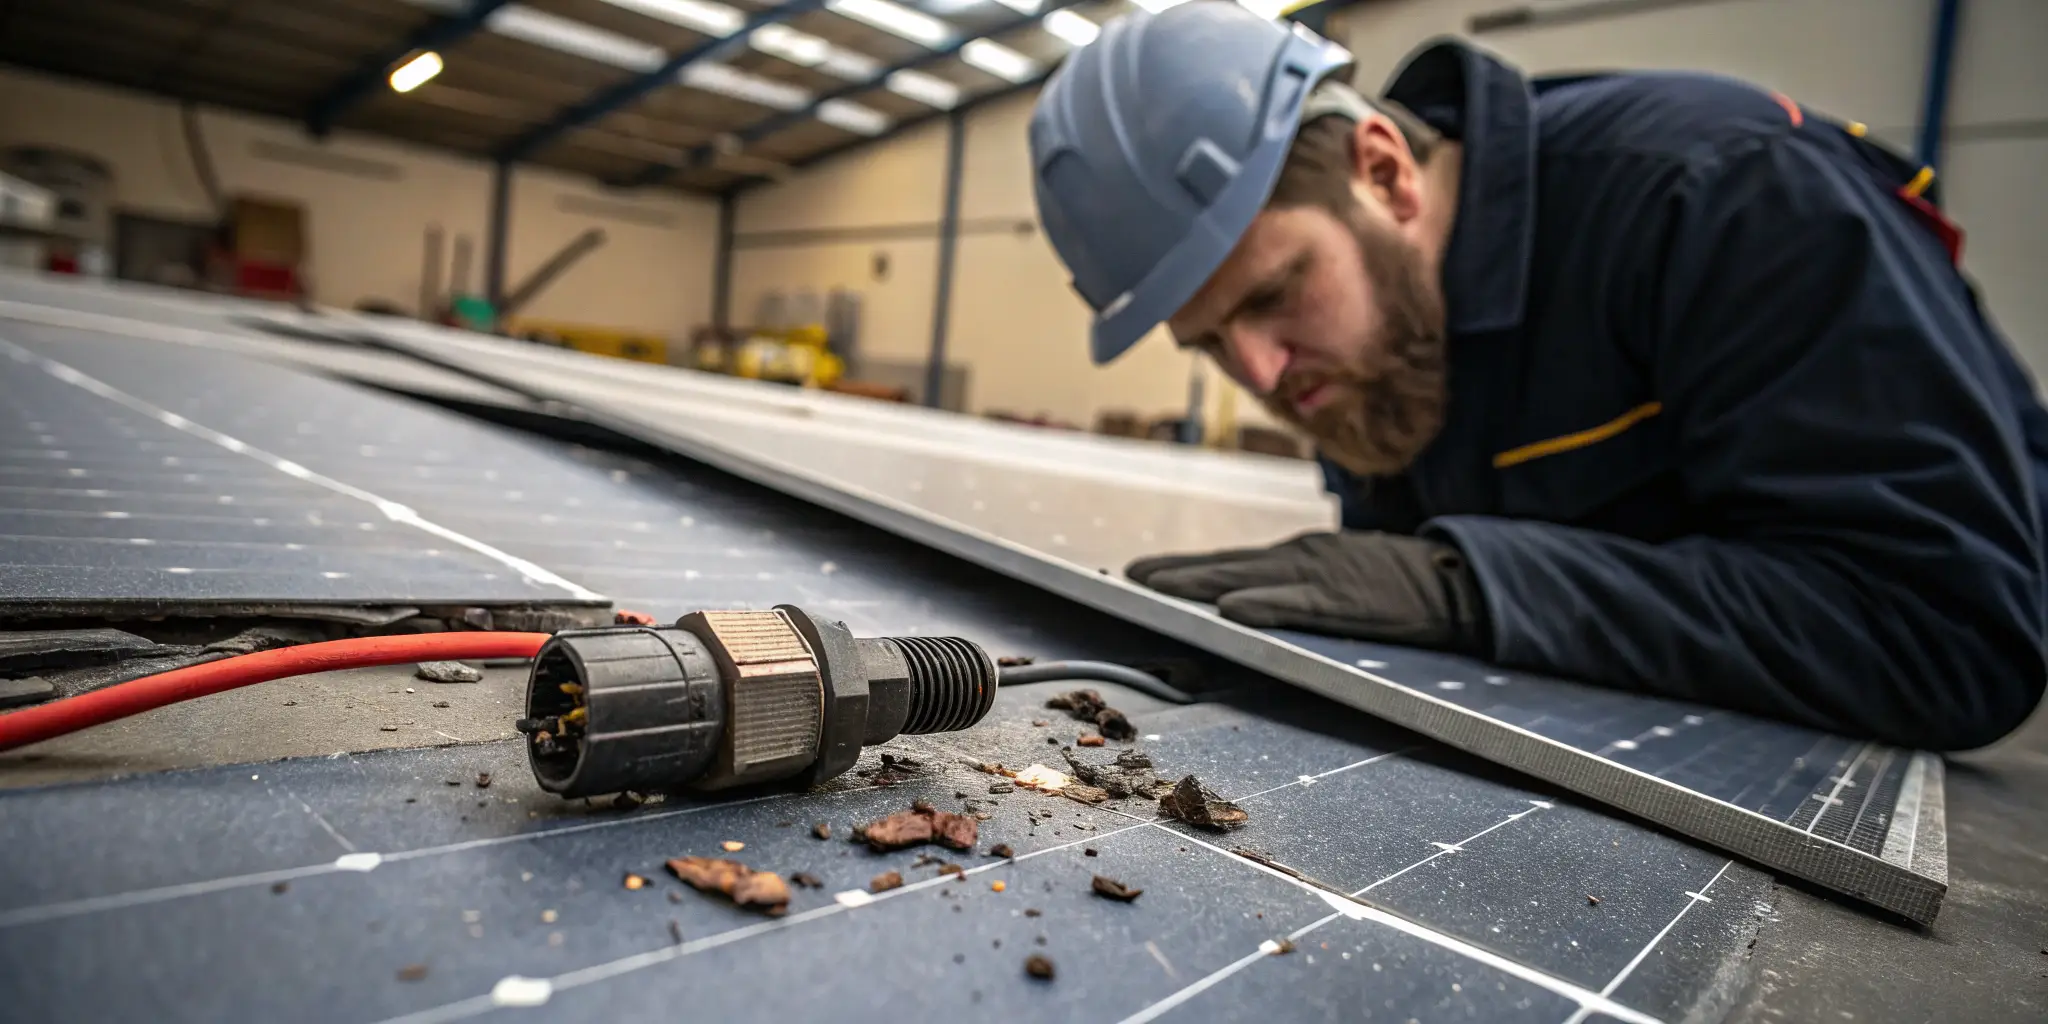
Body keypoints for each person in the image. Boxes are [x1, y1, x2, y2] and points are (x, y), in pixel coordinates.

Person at [1028, 2, 2047, 750]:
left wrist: (1472, 588)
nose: (1256, 369)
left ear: (1382, 172)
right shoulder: (1374, 335)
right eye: (1206, 344)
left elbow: (1949, 631)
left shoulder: (1723, 199)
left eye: (1269, 295)